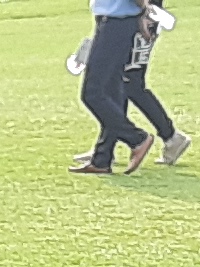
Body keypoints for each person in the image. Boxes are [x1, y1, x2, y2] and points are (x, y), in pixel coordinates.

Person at [71, 0, 187, 173]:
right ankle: (102, 158)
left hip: (118, 21)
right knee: (114, 89)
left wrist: (145, 9)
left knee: (94, 93)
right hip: (114, 20)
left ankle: (137, 139)